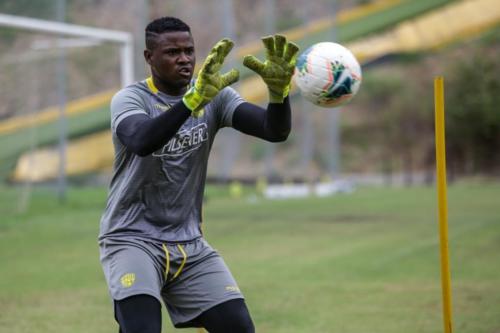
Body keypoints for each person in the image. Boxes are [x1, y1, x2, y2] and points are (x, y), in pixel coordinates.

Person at [99, 16, 299, 333]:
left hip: (190, 243)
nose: (184, 59)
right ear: (149, 58)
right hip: (131, 239)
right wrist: (192, 102)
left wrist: (279, 94)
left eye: (189, 51)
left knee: (239, 328)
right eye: (172, 52)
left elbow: (273, 130)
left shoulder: (212, 95)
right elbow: (141, 141)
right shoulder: (131, 99)